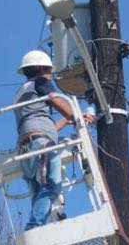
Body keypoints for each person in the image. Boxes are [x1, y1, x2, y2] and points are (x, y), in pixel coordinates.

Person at [14, 50, 92, 234]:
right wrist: (77, 116)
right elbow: (56, 101)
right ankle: (33, 229)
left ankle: (36, 232)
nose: (51, 74)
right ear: (42, 68)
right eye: (49, 70)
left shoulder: (22, 91)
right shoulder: (41, 82)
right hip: (41, 143)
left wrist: (68, 120)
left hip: (27, 145)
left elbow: (47, 127)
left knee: (39, 193)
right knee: (51, 186)